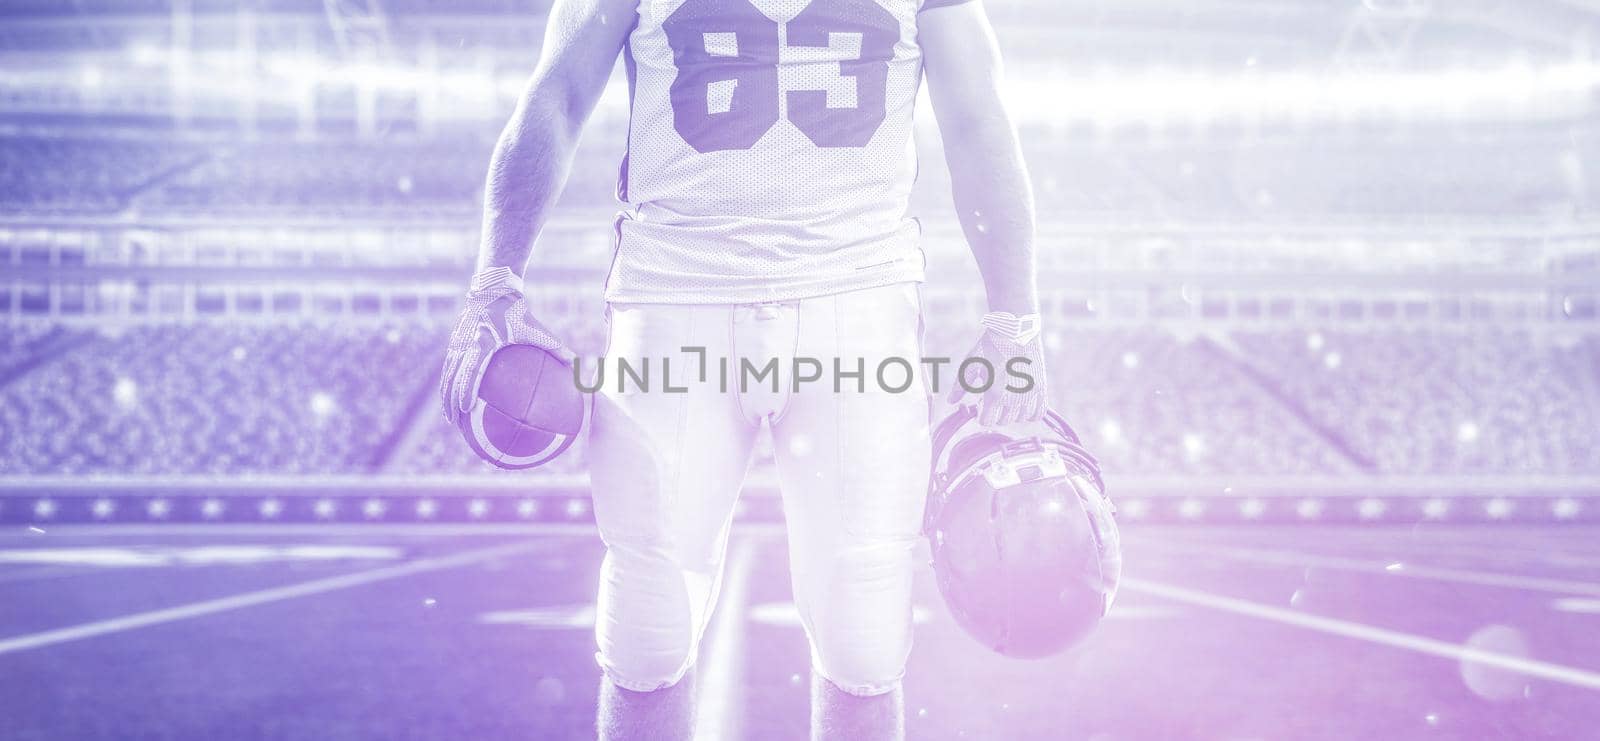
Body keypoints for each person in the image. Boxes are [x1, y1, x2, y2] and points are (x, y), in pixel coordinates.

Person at [440, 0, 1047, 738]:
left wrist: (1014, 318)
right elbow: (559, 94)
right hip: (675, 295)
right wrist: (495, 278)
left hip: (855, 304)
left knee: (864, 635)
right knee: (646, 631)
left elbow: (978, 121)